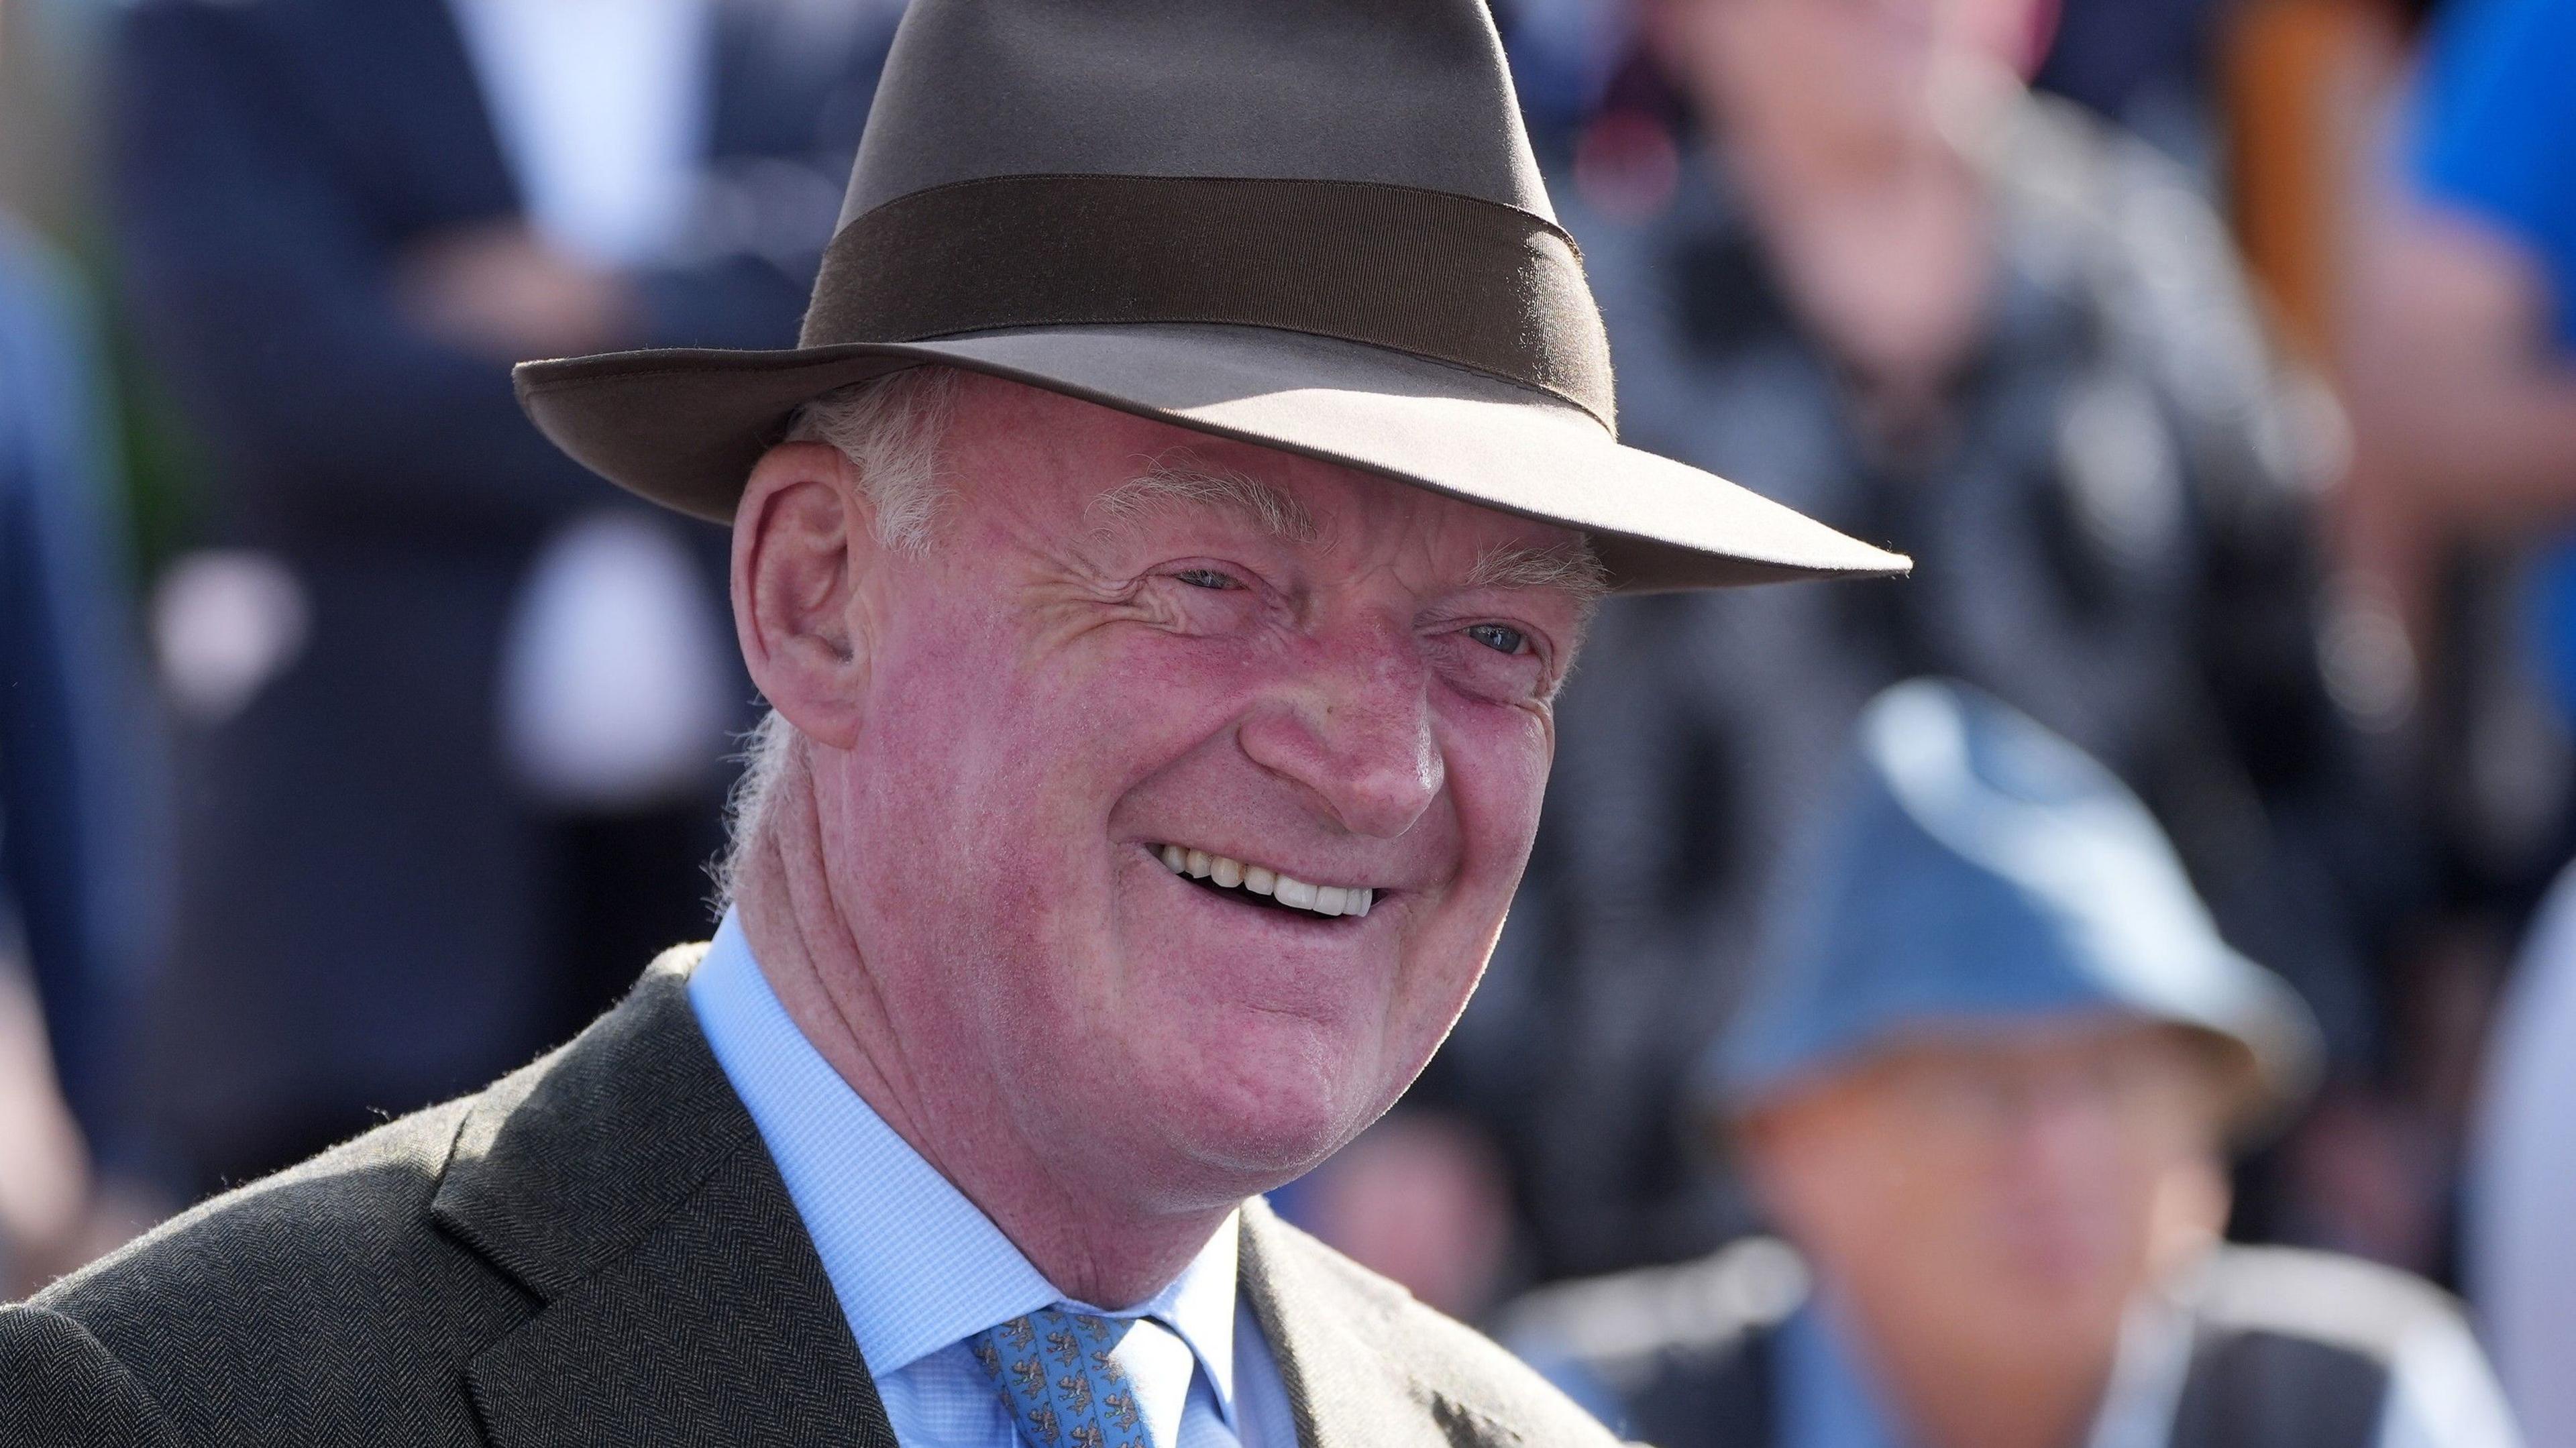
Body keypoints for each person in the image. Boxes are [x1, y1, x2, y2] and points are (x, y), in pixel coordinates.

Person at [0, 1, 1906, 1441]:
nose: (1378, 763)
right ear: (815, 593)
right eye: (1214, 584)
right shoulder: (189, 1411)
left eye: (1495, 641)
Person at [1438, 0, 2404, 1284]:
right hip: (1672, 1203)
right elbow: (1453, 723)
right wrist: (1436, 1123)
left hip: (2110, 1213)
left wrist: (2352, 1073)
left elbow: (2307, 727)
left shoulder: (2148, 283)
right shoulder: (1571, 318)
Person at [106, 0, 898, 1195]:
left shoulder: (846, 21)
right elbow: (279, 375)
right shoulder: (235, 22)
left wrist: (591, 301)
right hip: (365, 903)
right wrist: (717, 398)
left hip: (764, 911)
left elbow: (897, 310)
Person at [1503, 679, 2518, 1448]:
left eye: (2117, 1081)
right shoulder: (1575, 1411)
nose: (2059, 1151)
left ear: (2207, 1150)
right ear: (1783, 1141)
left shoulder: (2369, 1402)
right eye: (1973, 1089)